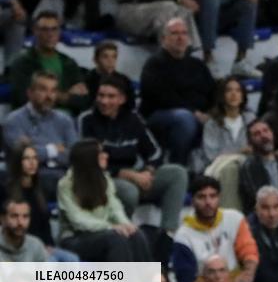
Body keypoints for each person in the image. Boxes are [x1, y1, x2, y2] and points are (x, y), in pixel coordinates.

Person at [78, 75, 188, 232]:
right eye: (101, 96)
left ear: (122, 99)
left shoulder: (133, 119)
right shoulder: (87, 120)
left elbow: (155, 152)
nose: (104, 101)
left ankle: (167, 234)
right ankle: (122, 233)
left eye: (111, 96)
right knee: (129, 191)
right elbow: (86, 162)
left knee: (177, 173)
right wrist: (125, 173)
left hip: (137, 175)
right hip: (103, 179)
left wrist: (148, 171)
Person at [57, 139, 152, 268]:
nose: (106, 155)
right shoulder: (66, 185)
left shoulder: (104, 179)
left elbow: (115, 207)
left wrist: (126, 224)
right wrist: (109, 227)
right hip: (75, 238)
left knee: (136, 235)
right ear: (89, 157)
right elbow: (78, 220)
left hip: (103, 232)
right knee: (116, 239)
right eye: (101, 153)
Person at [138, 17, 215, 164]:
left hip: (198, 114)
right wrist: (194, 112)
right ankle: (179, 166)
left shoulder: (197, 64)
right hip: (161, 116)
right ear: (164, 39)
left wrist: (213, 112)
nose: (180, 38)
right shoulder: (154, 64)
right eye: (175, 33)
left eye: (184, 33)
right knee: (184, 118)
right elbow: (160, 97)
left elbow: (213, 91)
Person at [172, 176, 259, 282]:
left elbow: (249, 253)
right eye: (202, 197)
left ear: (219, 198)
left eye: (213, 196)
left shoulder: (234, 218)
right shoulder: (183, 236)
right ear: (192, 201)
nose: (208, 202)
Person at [3, 72, 77, 197]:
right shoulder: (13, 121)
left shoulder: (65, 120)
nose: (49, 96)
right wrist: (53, 150)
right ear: (30, 93)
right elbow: (22, 157)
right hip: (31, 179)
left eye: (53, 91)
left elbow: (75, 156)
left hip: (63, 177)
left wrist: (36, 149)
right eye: (43, 90)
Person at [6, 11, 87, 112]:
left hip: (67, 122)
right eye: (44, 30)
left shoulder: (69, 62)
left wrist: (44, 94)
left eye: (54, 29)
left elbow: (82, 100)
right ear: (35, 31)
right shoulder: (22, 63)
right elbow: (24, 99)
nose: (50, 34)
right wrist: (65, 96)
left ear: (59, 32)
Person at [238, 119, 278, 220]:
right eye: (257, 134)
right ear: (250, 142)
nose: (264, 136)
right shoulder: (249, 168)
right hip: (263, 219)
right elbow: (258, 202)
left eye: (266, 131)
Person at [194, 77, 255, 174]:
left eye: (238, 90)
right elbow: (212, 156)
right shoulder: (212, 124)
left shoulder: (250, 119)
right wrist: (239, 152)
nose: (234, 94)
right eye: (229, 90)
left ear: (243, 96)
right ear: (222, 96)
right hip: (220, 169)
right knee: (231, 170)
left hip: (248, 168)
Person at [82, 40, 136, 111]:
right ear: (95, 60)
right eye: (105, 57)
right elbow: (86, 106)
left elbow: (131, 106)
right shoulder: (87, 80)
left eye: (114, 57)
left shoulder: (124, 80)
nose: (111, 61)